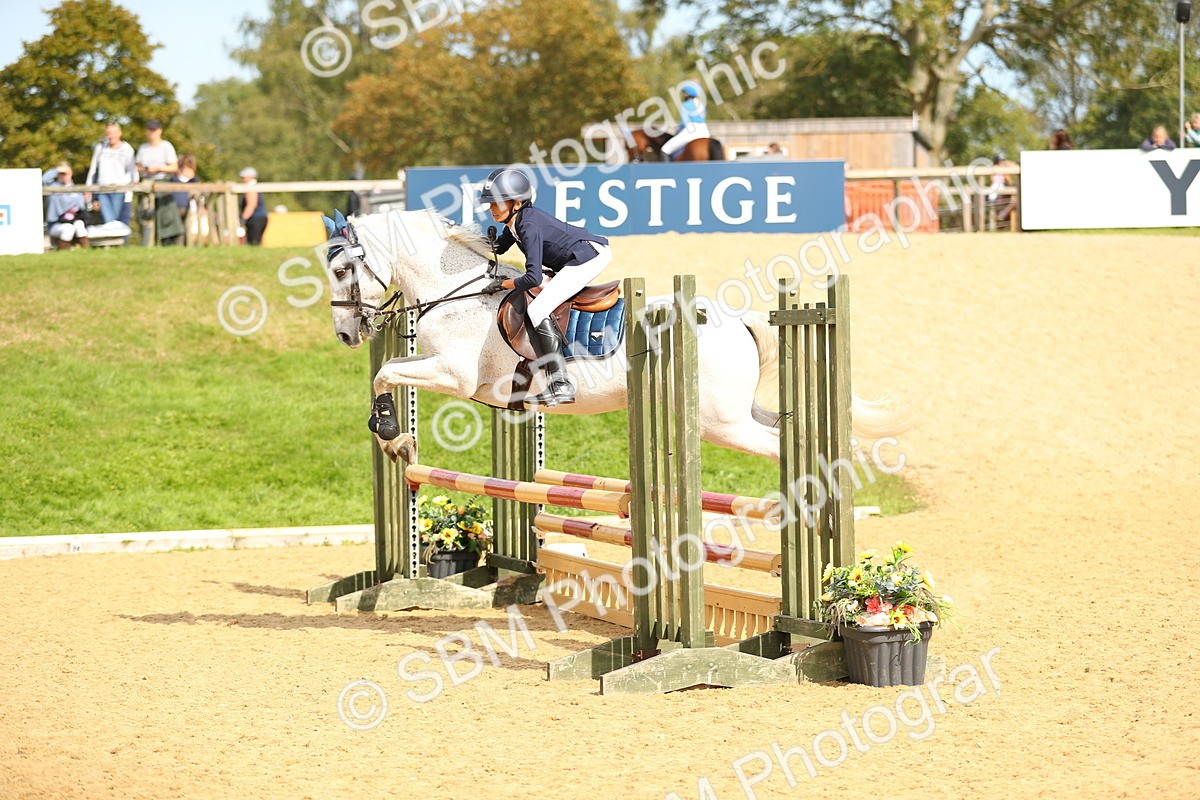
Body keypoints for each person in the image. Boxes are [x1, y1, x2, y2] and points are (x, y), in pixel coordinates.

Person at [479, 167, 612, 406]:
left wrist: (503, 284)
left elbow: (532, 278)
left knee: (537, 310)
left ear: (517, 203)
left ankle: (561, 385)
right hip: (575, 255)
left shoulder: (528, 226)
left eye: (497, 202)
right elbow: (498, 247)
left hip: (588, 255)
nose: (491, 208)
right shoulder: (515, 222)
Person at [85, 121, 138, 225]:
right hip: (102, 190)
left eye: (113, 132)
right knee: (109, 221)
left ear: (120, 133)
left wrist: (131, 189)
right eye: (108, 133)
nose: (111, 136)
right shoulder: (100, 148)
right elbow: (93, 170)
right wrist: (88, 190)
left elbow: (133, 171)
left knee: (117, 222)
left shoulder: (127, 149)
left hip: (120, 190)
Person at [660, 80, 709, 161]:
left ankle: (667, 173)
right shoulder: (702, 104)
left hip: (690, 131)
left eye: (685, 92)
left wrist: (677, 131)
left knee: (665, 150)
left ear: (689, 93)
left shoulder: (685, 105)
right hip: (705, 131)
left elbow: (684, 122)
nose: (684, 94)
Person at [45, 162, 90, 250]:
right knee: (68, 228)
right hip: (55, 223)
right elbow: (44, 179)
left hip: (73, 220)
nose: (64, 176)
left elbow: (81, 208)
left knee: (79, 224)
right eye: (61, 174)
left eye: (66, 173)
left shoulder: (75, 190)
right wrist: (58, 169)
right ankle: (63, 251)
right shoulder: (52, 187)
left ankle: (86, 250)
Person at [238, 167, 268, 245]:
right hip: (259, 218)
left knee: (253, 243)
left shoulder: (250, 188)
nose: (242, 179)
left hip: (255, 219)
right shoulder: (254, 186)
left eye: (244, 177)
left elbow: (251, 205)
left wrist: (243, 219)